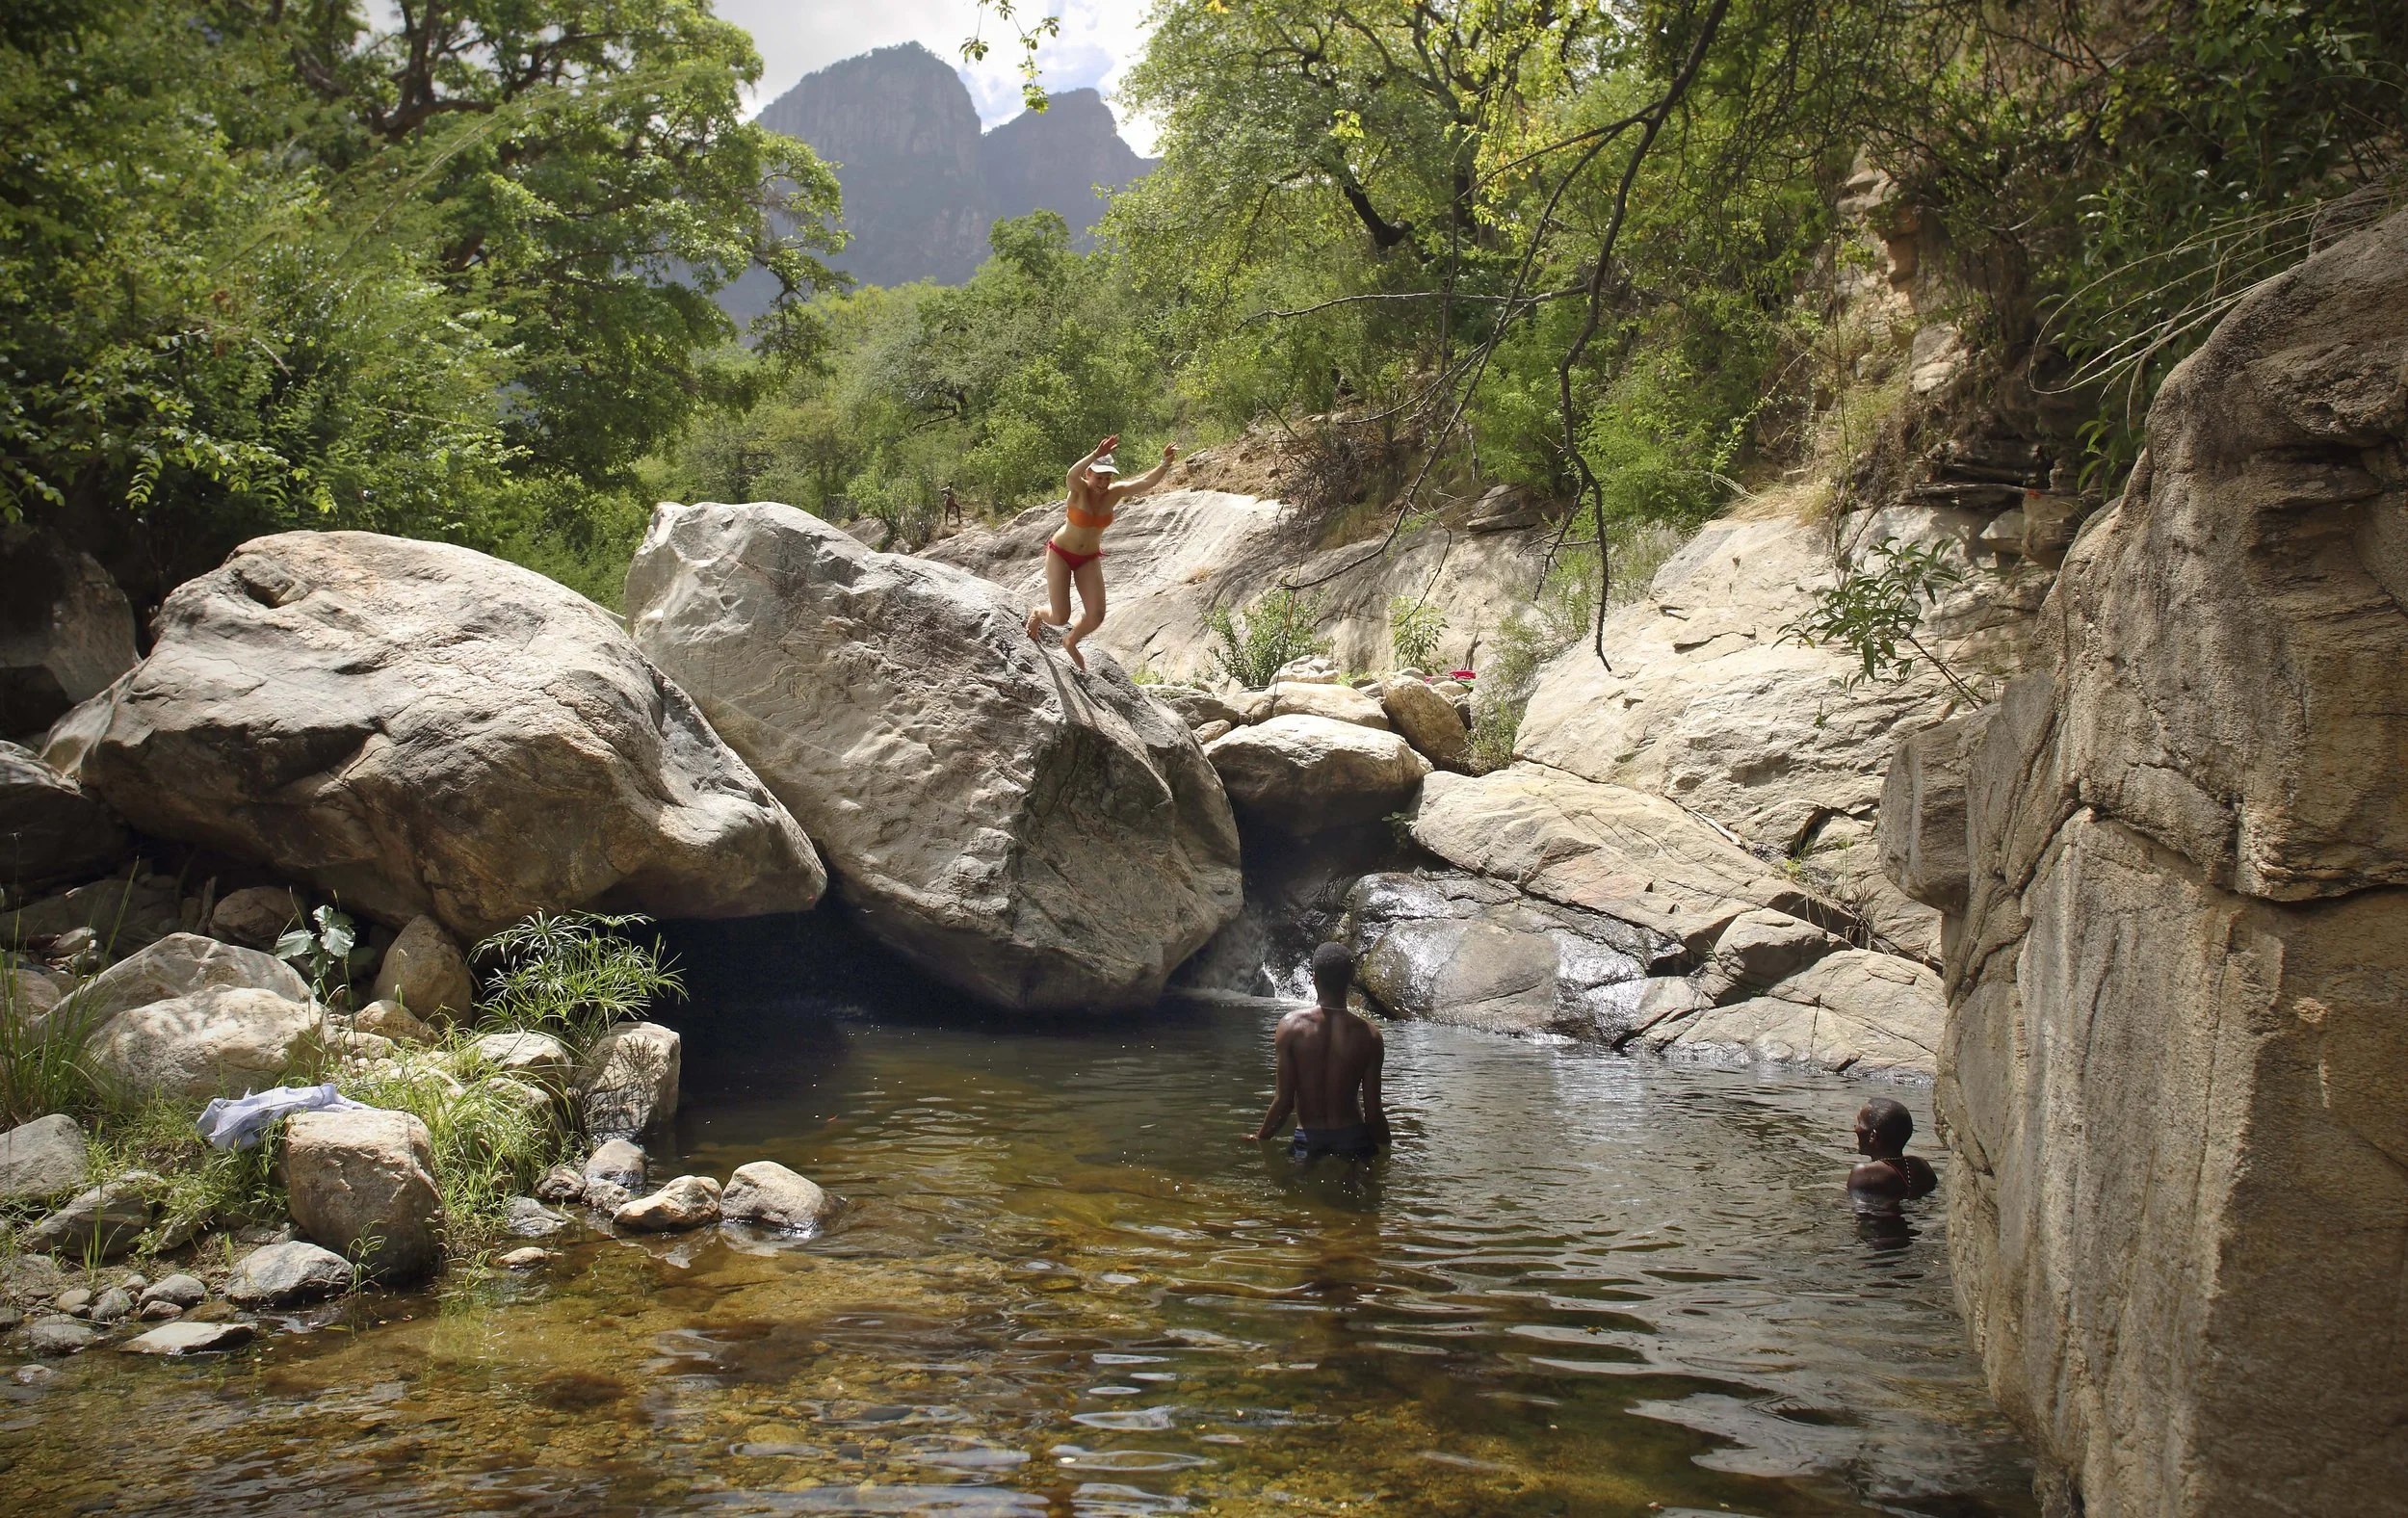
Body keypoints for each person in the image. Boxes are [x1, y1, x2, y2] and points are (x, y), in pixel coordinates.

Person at [1023, 432, 1178, 670]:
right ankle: (1037, 612)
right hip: (1061, 554)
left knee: (1096, 615)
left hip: (1088, 558)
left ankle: (1070, 641)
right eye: (1099, 478)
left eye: (1107, 478)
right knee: (1060, 617)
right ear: (1089, 475)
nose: (1104, 483)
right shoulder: (1078, 489)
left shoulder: (1114, 494)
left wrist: (1165, 462)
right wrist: (1096, 454)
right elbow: (1070, 474)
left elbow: (1146, 483)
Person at [1243, 942, 1391, 1161]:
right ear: (1350, 981)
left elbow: (1284, 1101)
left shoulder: (1291, 1027)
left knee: (1299, 1194)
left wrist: (1261, 1137)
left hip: (1308, 1138)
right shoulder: (1370, 1035)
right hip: (1354, 1139)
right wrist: (1387, 1152)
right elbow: (1374, 1113)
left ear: (1314, 978)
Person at [1847, 1097, 1938, 1211]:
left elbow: (1859, 1214)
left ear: (1873, 1136)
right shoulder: (1922, 1166)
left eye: (1859, 1123)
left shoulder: (1863, 1173)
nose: (1855, 1129)